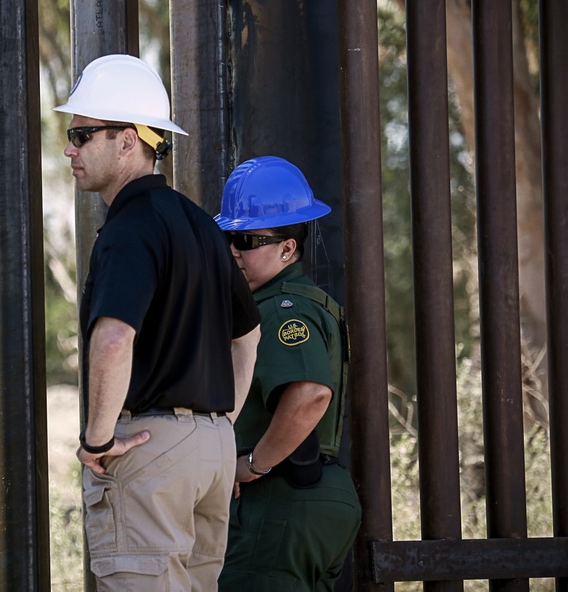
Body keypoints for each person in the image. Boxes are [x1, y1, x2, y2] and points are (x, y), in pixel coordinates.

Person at [53, 54, 262, 591]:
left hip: (149, 448)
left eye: (81, 134)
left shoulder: (128, 229)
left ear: (127, 141)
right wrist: (220, 427)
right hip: (211, 451)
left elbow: (116, 336)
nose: (69, 148)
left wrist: (98, 442)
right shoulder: (200, 224)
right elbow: (248, 333)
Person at [214, 155, 361, 590]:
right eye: (229, 237)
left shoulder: (282, 310)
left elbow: (311, 393)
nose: (234, 250)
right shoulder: (293, 301)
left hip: (279, 499)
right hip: (303, 495)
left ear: (288, 248)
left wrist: (253, 466)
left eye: (248, 239)